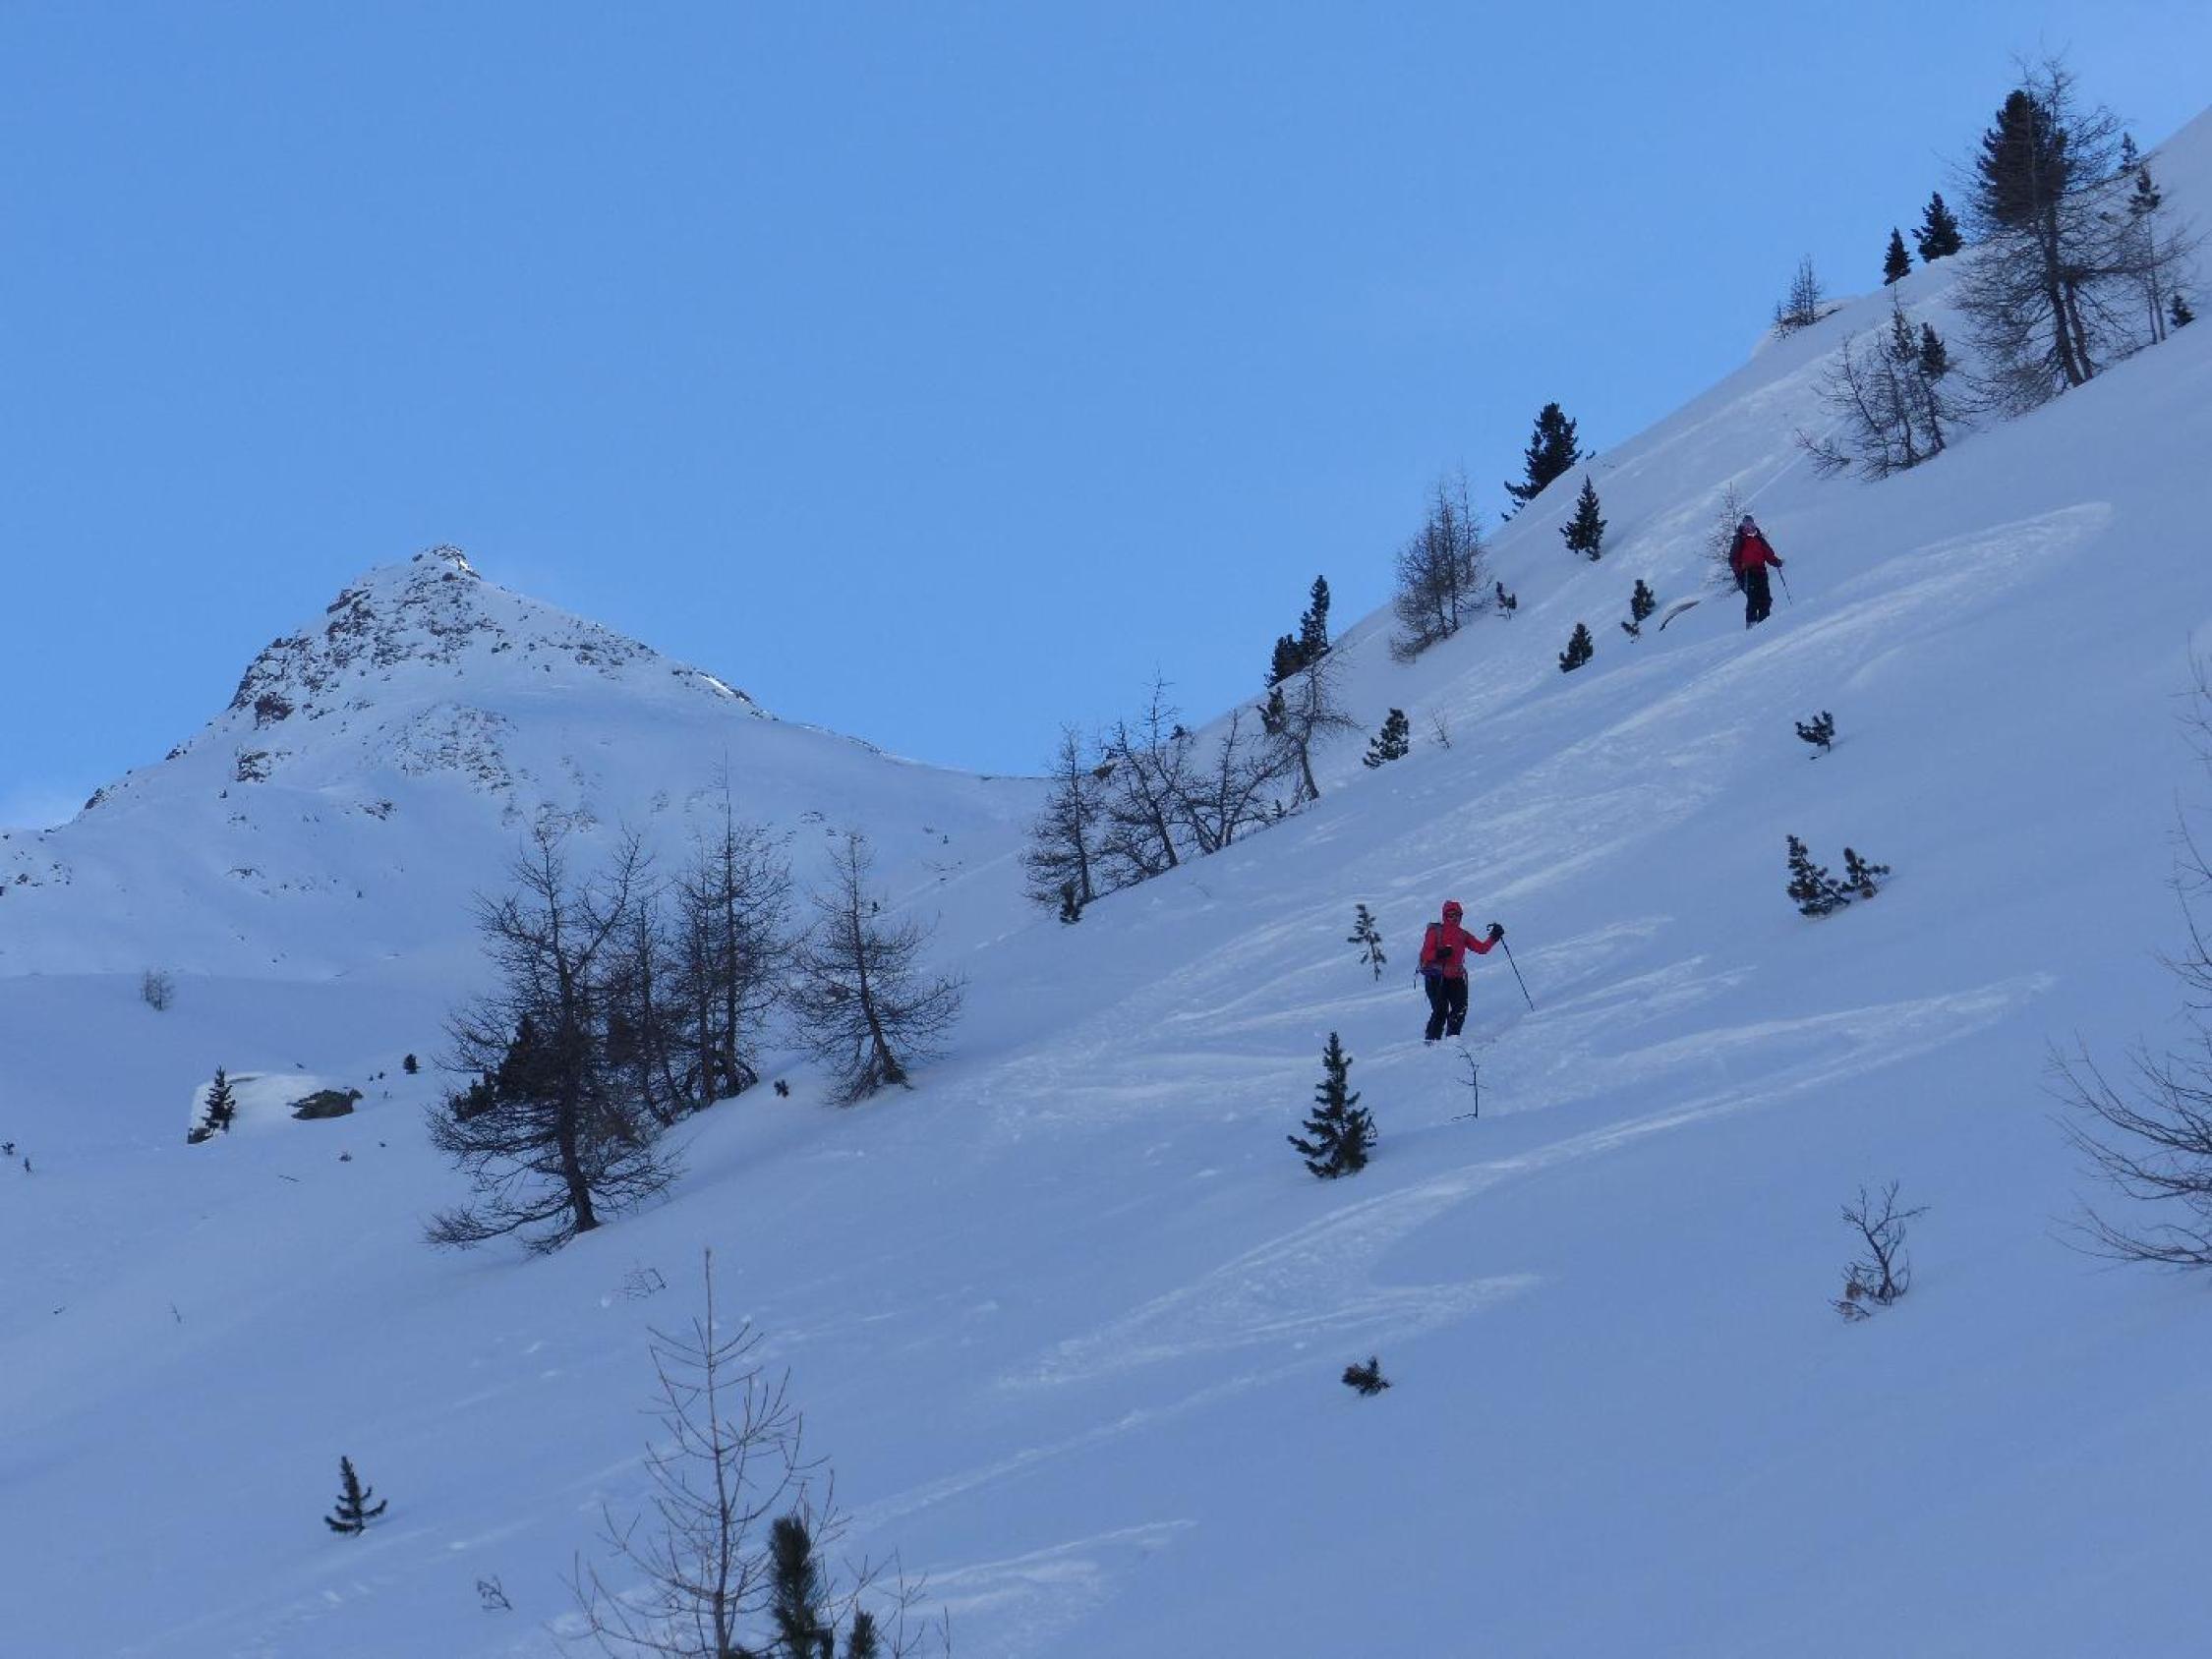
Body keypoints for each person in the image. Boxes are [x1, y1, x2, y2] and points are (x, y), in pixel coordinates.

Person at [1418, 899, 1503, 1043]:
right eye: (1450, 915)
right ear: (1445, 916)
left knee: (1460, 1008)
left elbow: (1481, 948)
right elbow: (1425, 954)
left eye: (1457, 915)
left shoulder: (1462, 934)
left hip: (1456, 977)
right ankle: (1431, 1041)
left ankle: (1452, 1040)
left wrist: (1494, 937)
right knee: (1441, 1011)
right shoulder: (1435, 931)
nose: (1454, 918)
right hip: (1436, 977)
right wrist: (1439, 953)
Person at [1728, 513, 1785, 628]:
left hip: (1761, 573)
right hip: (1748, 573)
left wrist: (1776, 562)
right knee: (1753, 599)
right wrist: (1739, 573)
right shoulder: (1740, 540)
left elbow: (1768, 554)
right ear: (1743, 527)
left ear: (1754, 525)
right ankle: (1752, 624)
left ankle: (1765, 623)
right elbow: (1733, 559)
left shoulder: (1759, 539)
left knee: (1766, 599)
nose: (1749, 527)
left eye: (1751, 525)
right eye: (1746, 525)